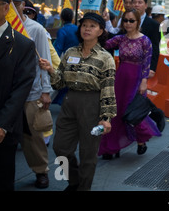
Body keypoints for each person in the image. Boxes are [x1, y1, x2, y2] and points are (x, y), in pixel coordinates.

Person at [39, 12, 116, 191]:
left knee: (88, 153)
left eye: (92, 26)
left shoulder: (106, 58)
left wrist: (106, 117)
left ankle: (83, 188)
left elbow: (108, 89)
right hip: (69, 101)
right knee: (60, 148)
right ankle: (73, 180)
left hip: (92, 105)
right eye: (84, 25)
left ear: (100, 31)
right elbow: (60, 82)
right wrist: (51, 69)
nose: (87, 29)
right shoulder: (70, 52)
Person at [0, 0, 36, 191]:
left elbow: (21, 90)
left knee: (0, 182)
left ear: (6, 8)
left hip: (1, 128)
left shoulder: (22, 45)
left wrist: (2, 125)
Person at [98, 9, 160, 159]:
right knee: (116, 111)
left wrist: (144, 82)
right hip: (121, 78)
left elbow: (147, 62)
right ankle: (112, 147)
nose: (128, 23)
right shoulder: (120, 39)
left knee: (133, 111)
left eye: (131, 20)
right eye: (125, 20)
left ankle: (141, 140)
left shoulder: (145, 40)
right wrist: (101, 26)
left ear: (138, 22)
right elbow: (104, 45)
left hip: (137, 79)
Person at [7, 0, 53, 189]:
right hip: (5, 93)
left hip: (31, 93)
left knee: (32, 137)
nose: (11, 9)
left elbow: (45, 60)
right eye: (7, 4)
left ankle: (41, 171)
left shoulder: (36, 29)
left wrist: (45, 91)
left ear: (22, 6)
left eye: (14, 5)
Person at [132, 0, 160, 76]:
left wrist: (152, 68)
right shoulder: (127, 21)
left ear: (145, 5)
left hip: (143, 64)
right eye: (134, 2)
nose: (136, 5)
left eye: (140, 2)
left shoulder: (153, 24)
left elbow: (155, 47)